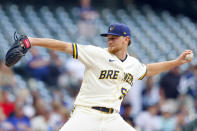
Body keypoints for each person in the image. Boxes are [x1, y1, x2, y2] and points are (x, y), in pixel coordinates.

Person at [26, 23, 192, 131]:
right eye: (108, 38)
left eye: (114, 38)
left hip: (112, 118)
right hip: (86, 114)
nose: (109, 41)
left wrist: (176, 62)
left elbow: (148, 70)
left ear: (126, 39)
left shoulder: (133, 64)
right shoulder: (96, 53)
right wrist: (32, 41)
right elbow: (64, 46)